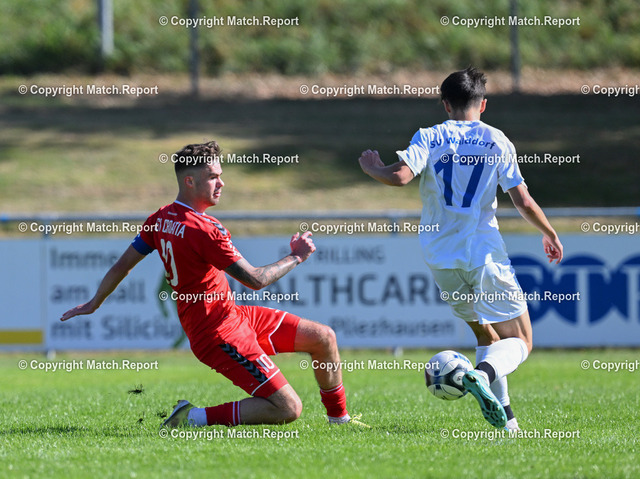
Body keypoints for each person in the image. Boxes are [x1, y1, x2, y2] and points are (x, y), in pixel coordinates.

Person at [61, 140, 365, 428]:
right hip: (218, 334)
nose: (221, 183)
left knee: (323, 338)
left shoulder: (161, 217)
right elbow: (256, 279)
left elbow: (122, 265)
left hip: (233, 316)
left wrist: (95, 302)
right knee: (288, 408)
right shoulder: (204, 230)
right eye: (213, 177)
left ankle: (339, 421)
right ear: (189, 181)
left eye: (220, 175)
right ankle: (189, 418)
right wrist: (296, 256)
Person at [358, 67, 563, 429]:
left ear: (445, 104)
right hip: (482, 253)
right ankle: (481, 375)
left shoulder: (430, 136)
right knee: (521, 340)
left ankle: (507, 424)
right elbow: (523, 201)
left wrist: (372, 167)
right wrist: (550, 233)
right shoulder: (497, 140)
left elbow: (399, 177)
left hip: (440, 256)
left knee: (486, 334)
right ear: (483, 104)